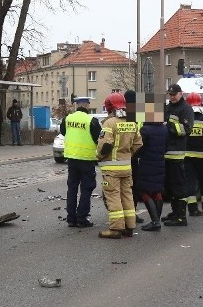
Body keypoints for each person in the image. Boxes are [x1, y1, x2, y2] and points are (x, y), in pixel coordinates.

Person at [97, 92, 143, 239]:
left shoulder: (109, 123)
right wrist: (127, 155)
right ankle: (129, 227)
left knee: (113, 196)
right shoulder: (132, 122)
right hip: (127, 167)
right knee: (127, 196)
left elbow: (106, 145)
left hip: (111, 168)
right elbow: (138, 145)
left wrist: (97, 157)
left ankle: (116, 229)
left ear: (109, 107)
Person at [60, 96, 101, 228]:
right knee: (86, 188)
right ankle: (82, 218)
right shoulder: (92, 120)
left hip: (71, 158)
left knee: (72, 188)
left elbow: (63, 132)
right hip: (87, 159)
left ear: (77, 106)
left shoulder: (68, 118)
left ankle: (71, 218)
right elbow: (98, 138)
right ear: (87, 106)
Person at [130, 95, 169, 232]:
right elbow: (166, 147)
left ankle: (155, 221)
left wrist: (133, 154)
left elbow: (138, 147)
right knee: (157, 191)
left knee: (144, 191)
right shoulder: (164, 129)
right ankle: (156, 219)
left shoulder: (145, 130)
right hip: (160, 163)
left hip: (147, 164)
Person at [162, 84, 194, 227]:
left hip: (177, 154)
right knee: (169, 186)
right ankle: (175, 212)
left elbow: (186, 130)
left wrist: (168, 125)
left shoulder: (186, 109)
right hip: (166, 152)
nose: (172, 97)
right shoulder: (168, 107)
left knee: (178, 185)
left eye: (174, 94)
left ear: (181, 94)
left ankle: (181, 216)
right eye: (170, 94)